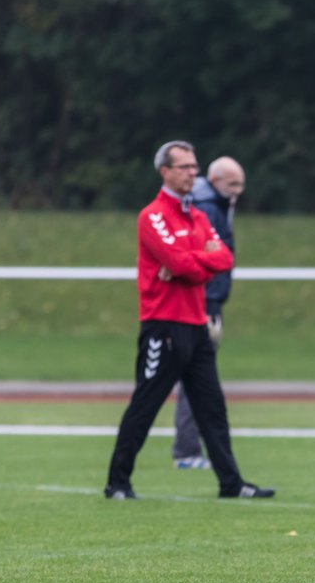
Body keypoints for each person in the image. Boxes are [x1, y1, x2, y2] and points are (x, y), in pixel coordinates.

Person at [103, 140, 275, 501]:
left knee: (212, 408)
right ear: (165, 171)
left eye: (194, 167)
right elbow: (186, 265)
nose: (192, 173)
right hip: (163, 327)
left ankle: (231, 483)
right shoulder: (152, 216)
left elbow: (222, 259)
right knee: (145, 406)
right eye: (184, 167)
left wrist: (189, 263)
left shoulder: (197, 217)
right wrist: (196, 261)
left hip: (196, 326)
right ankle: (118, 482)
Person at [171, 156, 245, 469]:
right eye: (232, 184)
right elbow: (205, 259)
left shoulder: (212, 204)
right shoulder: (208, 208)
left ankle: (191, 451)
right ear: (214, 181)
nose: (238, 191)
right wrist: (208, 304)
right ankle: (187, 451)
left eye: (241, 184)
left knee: (192, 379)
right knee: (195, 379)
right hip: (201, 306)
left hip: (205, 303)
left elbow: (220, 258)